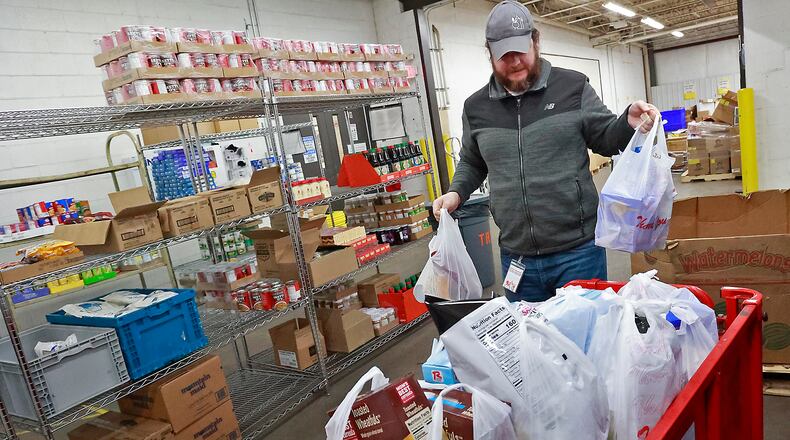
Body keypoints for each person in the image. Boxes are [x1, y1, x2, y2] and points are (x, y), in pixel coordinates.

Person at [432, 0, 659, 302]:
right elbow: (473, 161)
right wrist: (456, 192)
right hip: (517, 257)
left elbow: (605, 138)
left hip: (577, 252)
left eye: (520, 51)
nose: (514, 62)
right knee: (529, 344)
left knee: (583, 338)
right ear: (489, 54)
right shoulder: (476, 108)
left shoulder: (572, 87)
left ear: (536, 42)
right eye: (504, 55)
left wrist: (627, 123)